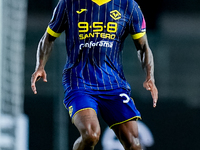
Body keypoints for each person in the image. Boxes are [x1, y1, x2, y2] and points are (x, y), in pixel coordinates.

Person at [31, 0, 158, 149]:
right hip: (79, 82)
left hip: (114, 85)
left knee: (134, 144)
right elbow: (48, 38)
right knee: (91, 135)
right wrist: (40, 65)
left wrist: (150, 76)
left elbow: (143, 47)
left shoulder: (128, 5)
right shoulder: (69, 3)